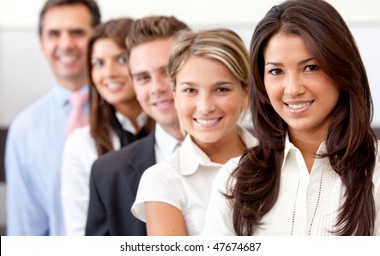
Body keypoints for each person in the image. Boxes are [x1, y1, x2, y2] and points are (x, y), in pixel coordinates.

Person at [202, 0, 380, 236]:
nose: (293, 89)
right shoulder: (234, 179)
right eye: (276, 71)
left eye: (311, 67)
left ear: (343, 69)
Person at [131, 28, 257, 236]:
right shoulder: (161, 180)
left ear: (245, 93)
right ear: (175, 96)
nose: (205, 106)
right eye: (190, 90)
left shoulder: (280, 161)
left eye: (222, 89)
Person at [5, 0, 101, 235]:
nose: (66, 43)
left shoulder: (128, 111)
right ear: (42, 46)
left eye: (77, 32)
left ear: (97, 41)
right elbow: (25, 229)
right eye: (54, 34)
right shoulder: (24, 129)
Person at [85, 15, 190, 236]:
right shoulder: (107, 173)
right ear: (133, 84)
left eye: (167, 71)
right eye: (143, 77)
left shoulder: (254, 155)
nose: (156, 88)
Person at [61, 18, 154, 235]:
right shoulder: (81, 144)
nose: (109, 73)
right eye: (99, 63)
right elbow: (79, 234)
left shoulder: (171, 132)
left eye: (121, 59)